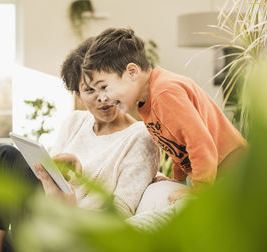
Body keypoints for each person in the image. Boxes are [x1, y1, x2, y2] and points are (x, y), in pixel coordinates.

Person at [0, 37, 160, 252]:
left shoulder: (141, 137)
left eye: (104, 87)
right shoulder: (75, 122)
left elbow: (119, 219)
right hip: (42, 224)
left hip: (72, 239)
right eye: (89, 90)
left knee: (1, 156)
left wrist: (70, 211)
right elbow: (49, 185)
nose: (101, 97)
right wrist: (55, 166)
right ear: (78, 95)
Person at [82, 28, 248, 201]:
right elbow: (178, 145)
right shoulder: (145, 101)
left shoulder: (164, 92)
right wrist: (178, 180)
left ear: (132, 72)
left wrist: (199, 190)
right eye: (94, 90)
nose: (102, 97)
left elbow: (199, 142)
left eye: (103, 87)